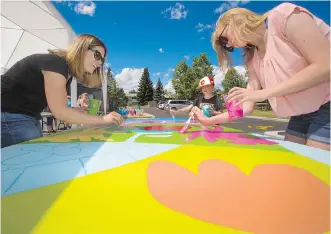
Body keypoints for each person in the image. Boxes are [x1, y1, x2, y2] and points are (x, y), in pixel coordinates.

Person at [191, 2, 330, 150]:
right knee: (294, 164)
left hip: (327, 105)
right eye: (225, 46)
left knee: (315, 166)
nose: (229, 45)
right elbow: (245, 107)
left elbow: (325, 65)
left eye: (224, 39)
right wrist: (208, 121)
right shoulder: (252, 58)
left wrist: (263, 93)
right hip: (300, 113)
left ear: (235, 19)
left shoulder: (283, 16)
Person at [1, 34, 123, 148]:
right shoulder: (56, 64)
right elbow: (60, 112)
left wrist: (75, 111)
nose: (100, 62)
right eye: (97, 55)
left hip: (27, 116)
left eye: (102, 59)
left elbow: (56, 108)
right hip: (9, 114)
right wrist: (102, 120)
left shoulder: (66, 73)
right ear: (82, 48)